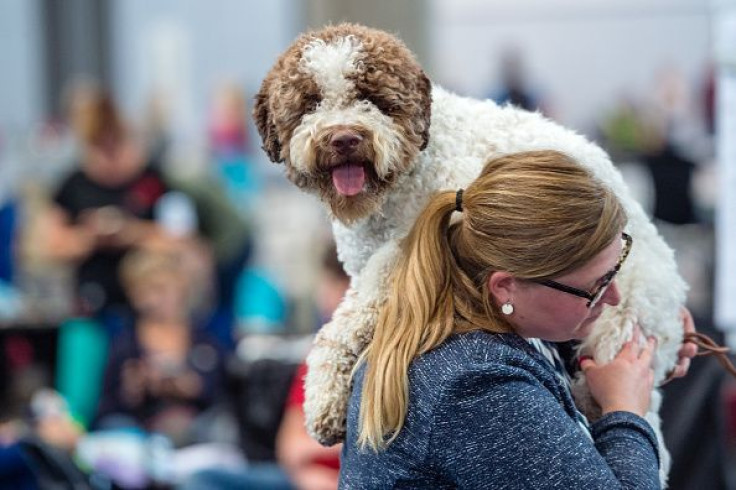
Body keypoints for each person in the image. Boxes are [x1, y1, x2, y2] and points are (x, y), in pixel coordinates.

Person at [340, 150, 682, 488]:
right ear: (505, 288)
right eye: (596, 287)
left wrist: (665, 329)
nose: (614, 298)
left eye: (615, 270)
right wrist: (624, 409)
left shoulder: (489, 330)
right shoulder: (477, 385)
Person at [94, 245, 226, 446]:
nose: (154, 300)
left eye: (160, 289)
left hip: (194, 430)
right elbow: (107, 407)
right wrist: (134, 388)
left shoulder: (206, 342)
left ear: (180, 287)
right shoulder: (124, 344)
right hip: (140, 433)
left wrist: (190, 387)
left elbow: (221, 394)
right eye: (143, 292)